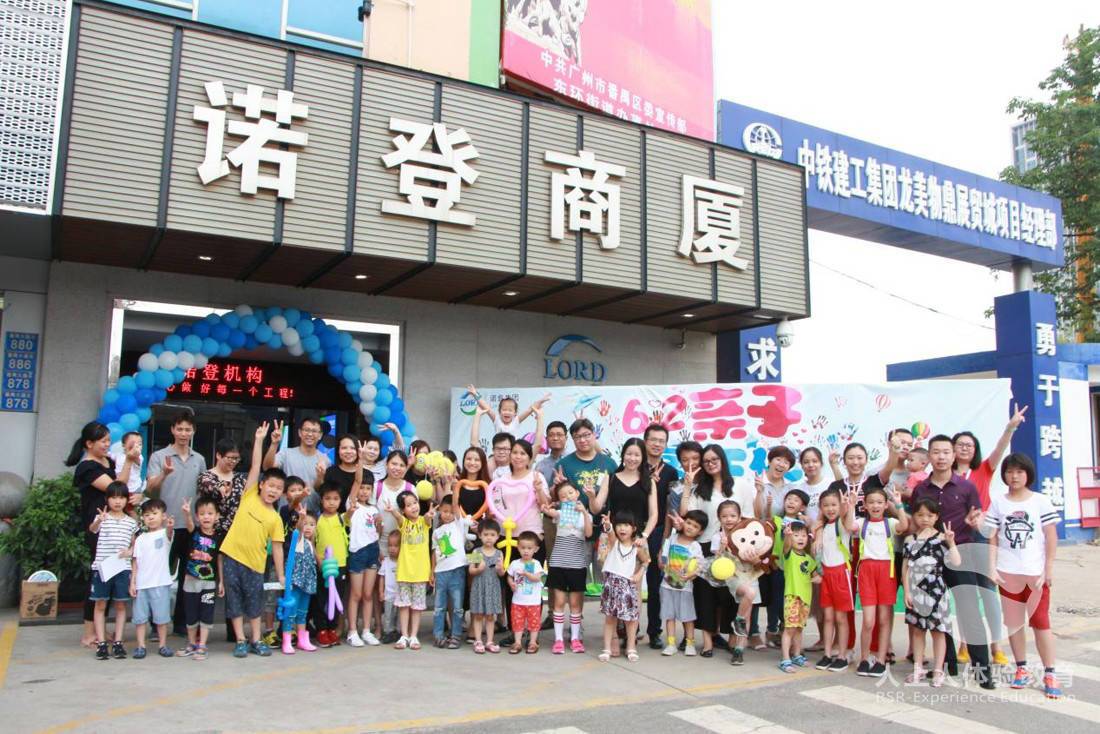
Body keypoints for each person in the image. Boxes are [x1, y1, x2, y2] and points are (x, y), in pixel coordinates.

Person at [911, 434, 995, 688]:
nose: (941, 457)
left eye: (946, 452)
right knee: (938, 613)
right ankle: (947, 664)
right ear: (929, 456)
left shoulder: (966, 487)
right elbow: (916, 523)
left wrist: (975, 523)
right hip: (931, 558)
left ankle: (983, 670)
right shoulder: (921, 489)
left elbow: (978, 520)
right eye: (936, 452)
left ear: (953, 455)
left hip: (962, 554)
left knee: (969, 611)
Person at [983, 452, 1061, 698]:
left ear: (1028, 474)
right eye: (1009, 471)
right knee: (1014, 624)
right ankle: (1021, 668)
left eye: (1019, 472)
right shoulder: (999, 502)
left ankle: (1050, 672)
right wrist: (992, 568)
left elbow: (1051, 536)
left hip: (1034, 575)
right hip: (1008, 574)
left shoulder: (1040, 501)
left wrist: (1048, 570)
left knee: (1041, 624)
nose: (1014, 476)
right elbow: (993, 538)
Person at [66, 421, 138, 647]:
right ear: (89, 444)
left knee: (112, 574)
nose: (107, 445)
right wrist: (128, 460)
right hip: (99, 525)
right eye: (103, 441)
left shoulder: (108, 461)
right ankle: (89, 632)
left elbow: (123, 488)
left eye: (108, 440)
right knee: (99, 575)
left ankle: (100, 629)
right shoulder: (87, 467)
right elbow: (116, 488)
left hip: (116, 524)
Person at [218, 421, 286, 658]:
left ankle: (256, 639)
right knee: (234, 602)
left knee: (255, 603)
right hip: (232, 558)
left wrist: (281, 575)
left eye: (278, 488)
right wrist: (259, 440)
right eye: (270, 485)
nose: (273, 490)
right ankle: (240, 640)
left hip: (256, 565)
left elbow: (277, 549)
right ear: (261, 485)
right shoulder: (249, 496)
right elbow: (256, 465)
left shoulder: (275, 518)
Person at [146, 411, 207, 635]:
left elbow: (203, 491)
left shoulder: (199, 459)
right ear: (172, 430)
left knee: (188, 577)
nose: (183, 433)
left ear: (193, 431)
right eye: (179, 429)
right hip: (165, 526)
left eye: (187, 429)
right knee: (159, 576)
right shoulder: (159, 456)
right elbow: (150, 489)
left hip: (190, 525)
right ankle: (157, 623)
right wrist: (164, 473)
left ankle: (182, 622)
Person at [680, 444, 736, 656]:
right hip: (705, 546)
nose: (711, 464)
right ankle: (708, 642)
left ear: (722, 460)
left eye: (714, 459)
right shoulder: (701, 490)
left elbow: (748, 516)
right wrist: (687, 488)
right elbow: (686, 513)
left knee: (728, 595)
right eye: (706, 461)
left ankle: (727, 637)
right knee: (705, 596)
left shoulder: (738, 485)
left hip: (731, 547)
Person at [902, 498, 960, 687]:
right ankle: (918, 668)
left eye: (929, 515)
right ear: (914, 516)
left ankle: (938, 670)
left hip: (937, 592)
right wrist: (907, 592)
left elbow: (957, 562)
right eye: (920, 515)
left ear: (936, 517)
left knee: (938, 632)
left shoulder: (943, 538)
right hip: (916, 592)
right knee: (918, 631)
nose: (924, 519)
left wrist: (951, 543)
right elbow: (905, 568)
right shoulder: (910, 540)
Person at [855, 485, 909, 678]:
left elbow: (904, 526)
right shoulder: (861, 523)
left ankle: (880, 659)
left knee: (885, 619)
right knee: (868, 621)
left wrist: (899, 505)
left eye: (879, 502)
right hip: (867, 571)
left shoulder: (891, 522)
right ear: (865, 505)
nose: (875, 506)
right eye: (871, 502)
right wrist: (850, 504)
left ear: (886, 505)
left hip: (887, 571)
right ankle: (864, 658)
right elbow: (848, 526)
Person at [88, 481, 138, 660]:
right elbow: (92, 529)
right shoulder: (102, 517)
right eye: (114, 498)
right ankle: (101, 643)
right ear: (107, 499)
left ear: (126, 500)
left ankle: (118, 642)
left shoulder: (131, 522)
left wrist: (130, 551)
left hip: (122, 569)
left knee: (121, 605)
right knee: (100, 604)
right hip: (102, 568)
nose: (118, 501)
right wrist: (98, 521)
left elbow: (135, 546)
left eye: (122, 498)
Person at [641, 424, 680, 647]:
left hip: (657, 532)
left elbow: (670, 508)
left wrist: (665, 540)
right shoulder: (634, 464)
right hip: (634, 531)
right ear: (645, 441)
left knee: (655, 585)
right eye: (653, 440)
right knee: (628, 582)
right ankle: (627, 630)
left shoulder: (671, 472)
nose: (657, 444)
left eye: (661, 441)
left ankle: (654, 631)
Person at [810, 488, 858, 672]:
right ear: (820, 508)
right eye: (826, 505)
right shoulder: (821, 527)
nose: (830, 509)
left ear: (840, 506)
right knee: (828, 617)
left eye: (834, 505)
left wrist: (850, 506)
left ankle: (842, 655)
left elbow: (850, 525)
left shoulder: (842, 523)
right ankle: (827, 654)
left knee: (840, 618)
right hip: (826, 575)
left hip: (841, 573)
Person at [542, 481, 592, 654]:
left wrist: (584, 512)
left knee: (576, 604)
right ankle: (558, 640)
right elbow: (547, 510)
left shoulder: (585, 515)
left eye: (570, 493)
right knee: (559, 602)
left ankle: (575, 638)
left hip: (577, 564)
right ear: (560, 500)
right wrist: (545, 504)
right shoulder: (560, 513)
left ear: (577, 493)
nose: (568, 497)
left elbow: (588, 533)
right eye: (563, 496)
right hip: (558, 563)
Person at [384, 490, 434, 650]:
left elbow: (428, 519)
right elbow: (398, 518)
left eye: (415, 503)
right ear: (403, 510)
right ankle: (404, 635)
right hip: (404, 572)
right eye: (409, 505)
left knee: (417, 607)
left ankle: (413, 636)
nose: (413, 507)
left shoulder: (424, 522)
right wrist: (392, 511)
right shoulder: (404, 523)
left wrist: (429, 514)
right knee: (404, 605)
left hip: (420, 573)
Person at [954, 403, 1029, 510]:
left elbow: (1000, 448)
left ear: (975, 450)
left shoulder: (984, 468)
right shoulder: (945, 473)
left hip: (983, 519)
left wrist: (1010, 428)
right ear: (952, 448)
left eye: (969, 445)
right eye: (960, 445)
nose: (964, 448)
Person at [597, 511, 649, 662]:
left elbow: (646, 561)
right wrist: (608, 525)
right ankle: (607, 648)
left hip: (628, 586)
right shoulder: (614, 543)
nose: (622, 528)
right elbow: (610, 533)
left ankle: (631, 647)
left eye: (626, 525)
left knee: (630, 620)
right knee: (610, 619)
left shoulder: (637, 547)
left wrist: (639, 573)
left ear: (634, 528)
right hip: (611, 585)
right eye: (619, 525)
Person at [129, 499, 176, 659]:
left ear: (163, 516)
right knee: (140, 618)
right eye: (147, 515)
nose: (150, 517)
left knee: (161, 618)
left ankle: (163, 645)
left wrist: (170, 526)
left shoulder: (165, 534)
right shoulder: (140, 539)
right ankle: (141, 646)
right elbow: (135, 561)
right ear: (142, 518)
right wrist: (133, 582)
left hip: (160, 583)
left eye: (155, 513)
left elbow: (169, 533)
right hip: (142, 584)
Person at [177, 495, 222, 661]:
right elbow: (189, 524)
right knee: (191, 614)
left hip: (209, 582)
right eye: (202, 514)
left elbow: (219, 559)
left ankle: (202, 645)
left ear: (217, 516)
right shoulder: (194, 532)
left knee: (206, 613)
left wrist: (221, 581)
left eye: (210, 513)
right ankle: (191, 644)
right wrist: (187, 514)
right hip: (191, 580)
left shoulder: (218, 537)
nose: (206, 517)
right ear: (197, 517)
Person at [658, 509, 705, 656]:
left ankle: (690, 643)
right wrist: (662, 563)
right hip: (667, 585)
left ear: (700, 532)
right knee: (669, 616)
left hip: (685, 588)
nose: (690, 527)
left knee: (688, 617)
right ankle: (671, 644)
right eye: (689, 523)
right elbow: (663, 556)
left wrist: (689, 576)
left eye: (695, 526)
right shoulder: (672, 538)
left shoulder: (695, 546)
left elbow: (700, 566)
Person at [262, 417, 329, 512]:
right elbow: (267, 468)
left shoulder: (325, 460)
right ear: (299, 433)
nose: (310, 434)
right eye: (306, 430)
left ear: (320, 435)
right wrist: (274, 444)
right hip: (286, 512)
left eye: (314, 431)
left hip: (311, 515)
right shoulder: (286, 453)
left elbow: (322, 490)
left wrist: (320, 477)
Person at [778, 521, 820, 674]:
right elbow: (786, 546)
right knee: (789, 629)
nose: (800, 538)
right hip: (792, 597)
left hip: (805, 599)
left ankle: (796, 655)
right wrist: (788, 537)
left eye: (803, 535)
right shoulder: (789, 555)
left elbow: (816, 575)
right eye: (796, 535)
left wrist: (817, 578)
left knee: (799, 629)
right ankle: (785, 659)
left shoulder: (809, 559)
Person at [431, 494, 471, 649]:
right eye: (444, 511)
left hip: (457, 571)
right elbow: (434, 552)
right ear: (440, 511)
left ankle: (456, 635)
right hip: (441, 572)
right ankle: (438, 635)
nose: (447, 514)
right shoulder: (437, 532)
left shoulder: (458, 524)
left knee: (457, 606)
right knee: (439, 607)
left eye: (450, 511)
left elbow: (455, 504)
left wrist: (455, 487)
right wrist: (432, 571)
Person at [345, 481, 383, 647]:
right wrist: (360, 468)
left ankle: (366, 630)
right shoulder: (352, 505)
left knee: (368, 594)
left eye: (368, 489)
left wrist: (379, 524)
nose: (364, 491)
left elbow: (377, 532)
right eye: (362, 488)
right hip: (357, 551)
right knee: (356, 594)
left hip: (373, 550)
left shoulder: (374, 509)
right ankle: (352, 631)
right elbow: (356, 481)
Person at [313, 482, 349, 647]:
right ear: (321, 500)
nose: (332, 502)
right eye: (328, 498)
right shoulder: (317, 520)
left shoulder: (342, 518)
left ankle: (332, 629)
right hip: (323, 565)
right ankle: (321, 630)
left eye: (335, 499)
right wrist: (318, 560)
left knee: (336, 598)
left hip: (340, 564)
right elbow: (311, 542)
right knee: (321, 598)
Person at [554, 418, 618, 511]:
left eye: (586, 435)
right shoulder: (563, 465)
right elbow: (554, 498)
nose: (582, 440)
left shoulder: (609, 463)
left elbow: (618, 493)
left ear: (594, 434)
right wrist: (556, 486)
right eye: (577, 437)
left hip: (605, 518)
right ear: (572, 439)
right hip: (575, 518)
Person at [282, 511, 319, 655]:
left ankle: (302, 640)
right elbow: (297, 530)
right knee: (290, 612)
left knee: (303, 612)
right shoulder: (298, 540)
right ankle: (286, 640)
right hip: (296, 583)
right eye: (305, 524)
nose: (308, 527)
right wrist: (301, 520)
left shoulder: (310, 544)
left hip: (308, 583)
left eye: (312, 524)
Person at [468, 518, 506, 653]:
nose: (489, 538)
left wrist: (500, 569)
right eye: (485, 534)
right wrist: (478, 569)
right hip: (479, 586)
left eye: (492, 535)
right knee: (478, 615)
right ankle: (478, 640)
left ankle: (490, 641)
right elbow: (471, 570)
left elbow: (502, 573)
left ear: (497, 536)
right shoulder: (476, 551)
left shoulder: (499, 553)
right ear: (480, 535)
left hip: (493, 587)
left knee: (490, 616)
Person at [196, 438, 246, 537]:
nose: (233, 461)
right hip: (212, 534)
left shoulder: (240, 478)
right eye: (230, 458)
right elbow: (209, 485)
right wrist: (220, 487)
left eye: (236, 458)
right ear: (218, 455)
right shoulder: (206, 476)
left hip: (236, 533)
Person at [506, 532, 545, 654]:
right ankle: (517, 642)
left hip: (533, 601)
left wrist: (527, 574)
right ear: (518, 548)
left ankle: (533, 642)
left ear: (536, 549)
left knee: (534, 622)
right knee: (517, 622)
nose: (526, 551)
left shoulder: (536, 564)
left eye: (529, 548)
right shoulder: (515, 563)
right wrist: (511, 583)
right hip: (518, 600)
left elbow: (537, 578)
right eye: (523, 548)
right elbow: (509, 576)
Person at [467, 384, 550, 436]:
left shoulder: (516, 420)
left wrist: (541, 401)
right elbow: (485, 406)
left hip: (512, 453)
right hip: (500, 452)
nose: (507, 412)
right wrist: (475, 394)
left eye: (510, 410)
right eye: (504, 409)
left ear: (515, 413)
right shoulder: (497, 419)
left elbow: (529, 409)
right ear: (499, 412)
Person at [373, 450, 413, 556]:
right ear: (386, 465)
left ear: (406, 468)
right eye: (394, 464)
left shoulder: (410, 489)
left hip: (403, 546)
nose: (397, 468)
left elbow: (414, 519)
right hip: (378, 545)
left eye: (402, 465)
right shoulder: (376, 487)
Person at [755, 446, 797, 519]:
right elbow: (757, 515)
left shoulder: (790, 488)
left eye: (786, 462)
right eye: (778, 459)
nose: (781, 465)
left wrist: (799, 515)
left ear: (788, 469)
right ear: (769, 461)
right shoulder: (756, 482)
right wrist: (759, 492)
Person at [112, 431, 146, 513]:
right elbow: (111, 455)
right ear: (124, 445)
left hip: (134, 489)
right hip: (122, 489)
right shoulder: (119, 456)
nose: (136, 446)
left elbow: (137, 460)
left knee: (132, 511)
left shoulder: (139, 457)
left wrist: (134, 454)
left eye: (139, 444)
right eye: (133, 443)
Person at [379, 530, 401, 644]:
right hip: (388, 594)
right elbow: (382, 577)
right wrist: (381, 592)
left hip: (400, 594)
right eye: (390, 545)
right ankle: (388, 632)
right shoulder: (386, 561)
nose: (392, 548)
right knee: (388, 614)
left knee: (399, 614)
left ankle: (399, 632)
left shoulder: (402, 561)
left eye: (395, 546)